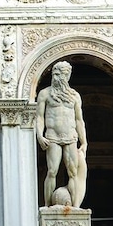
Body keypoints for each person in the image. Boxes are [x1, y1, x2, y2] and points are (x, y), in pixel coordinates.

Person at [36, 61, 88, 208]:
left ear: (68, 76)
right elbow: (39, 117)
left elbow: (79, 120)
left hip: (71, 137)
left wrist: (84, 142)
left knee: (73, 173)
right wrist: (39, 135)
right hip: (52, 136)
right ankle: (46, 206)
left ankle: (76, 206)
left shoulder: (74, 96)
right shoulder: (45, 93)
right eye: (55, 74)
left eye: (61, 74)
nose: (57, 77)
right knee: (52, 171)